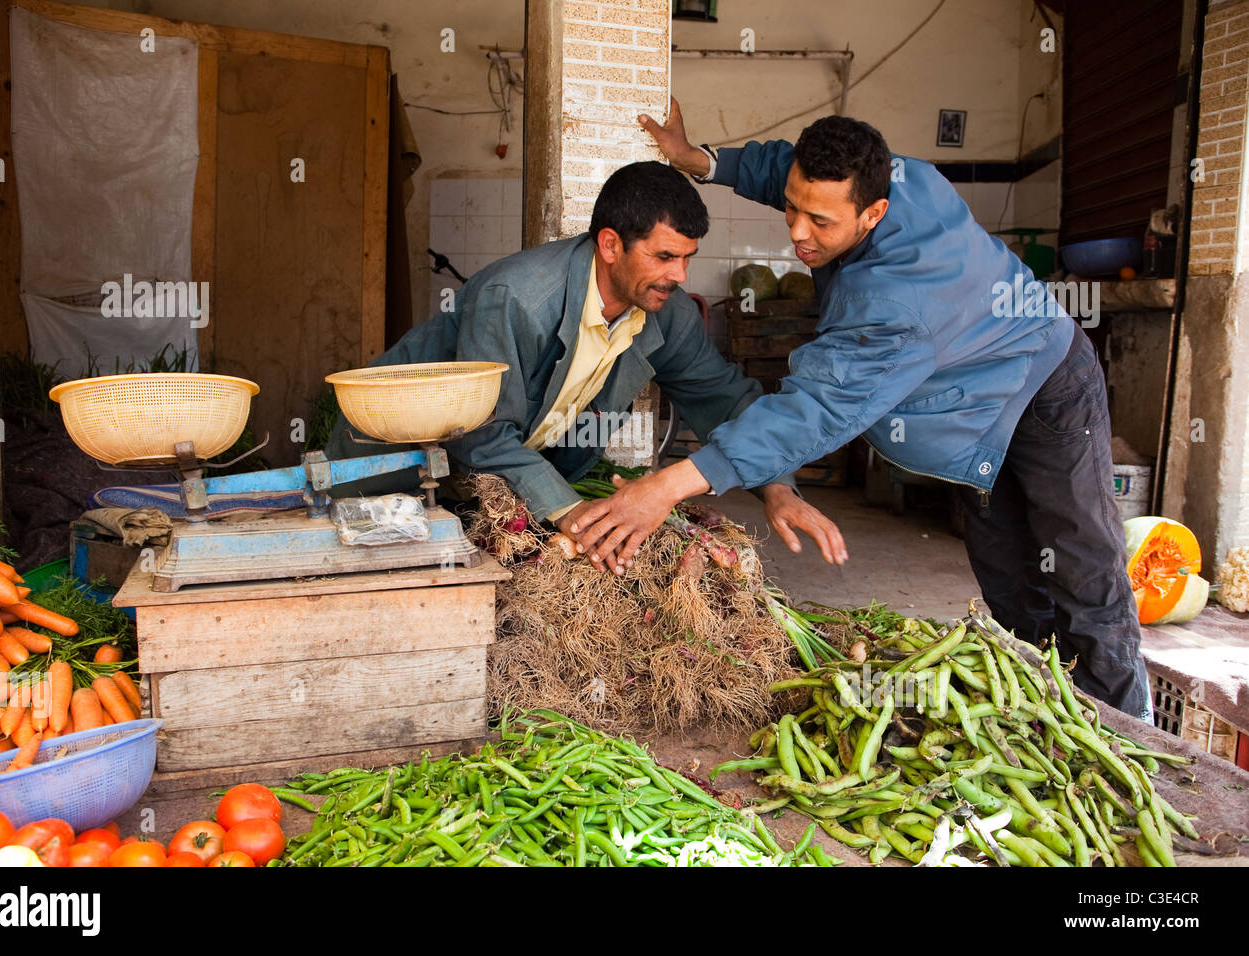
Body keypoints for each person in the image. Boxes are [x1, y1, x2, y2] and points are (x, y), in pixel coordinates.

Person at [567, 101, 1151, 719]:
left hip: (1043, 388)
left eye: (819, 220)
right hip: (971, 410)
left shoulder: (896, 305)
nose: (796, 231)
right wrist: (703, 161)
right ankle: (1049, 716)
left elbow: (814, 409)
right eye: (793, 208)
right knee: (1011, 575)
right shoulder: (896, 177)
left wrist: (665, 487)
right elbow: (782, 170)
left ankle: (1128, 735)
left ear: (874, 213)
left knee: (1083, 569)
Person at [327, 160, 825, 542]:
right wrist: (569, 511)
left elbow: (722, 397)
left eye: (687, 259)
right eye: (665, 257)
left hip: (488, 486)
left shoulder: (663, 308)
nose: (680, 277)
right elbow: (479, 432)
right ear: (610, 245)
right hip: (393, 465)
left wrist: (777, 486)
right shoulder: (517, 299)